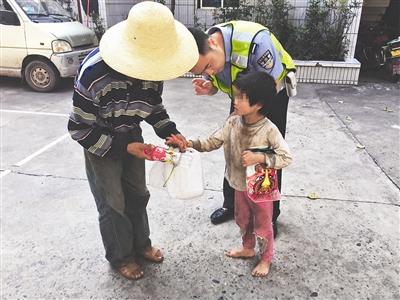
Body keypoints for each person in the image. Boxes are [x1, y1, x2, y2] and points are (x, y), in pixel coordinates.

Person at [67, 1, 198, 280]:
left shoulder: (154, 72)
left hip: (132, 132)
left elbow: (153, 107)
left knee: (138, 194)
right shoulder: (93, 74)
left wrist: (169, 132)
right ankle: (121, 257)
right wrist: (122, 147)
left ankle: (142, 245)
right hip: (99, 140)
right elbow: (79, 129)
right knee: (112, 201)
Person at [188, 21, 296, 234]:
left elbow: (268, 85)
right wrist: (211, 87)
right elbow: (222, 79)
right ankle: (231, 203)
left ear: (212, 43)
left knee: (266, 151)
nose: (210, 71)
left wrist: (251, 117)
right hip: (242, 97)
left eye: (209, 66)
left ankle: (269, 215)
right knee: (233, 144)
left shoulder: (256, 41)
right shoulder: (209, 52)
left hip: (271, 93)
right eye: (203, 71)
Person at [183, 72, 292, 277]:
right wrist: (189, 143)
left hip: (261, 187)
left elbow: (286, 157)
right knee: (242, 219)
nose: (235, 100)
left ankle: (266, 259)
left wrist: (259, 158)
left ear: (258, 104)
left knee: (263, 224)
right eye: (235, 95)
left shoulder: (269, 130)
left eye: (242, 97)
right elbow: (211, 142)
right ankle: (248, 248)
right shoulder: (233, 122)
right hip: (238, 184)